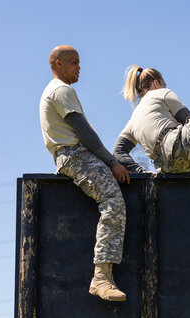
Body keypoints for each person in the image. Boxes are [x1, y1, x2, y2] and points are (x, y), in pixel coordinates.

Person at [39, 45, 130, 302]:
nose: (79, 67)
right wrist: (112, 162)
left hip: (70, 154)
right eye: (74, 62)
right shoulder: (61, 90)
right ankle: (101, 279)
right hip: (74, 154)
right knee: (113, 202)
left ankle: (103, 276)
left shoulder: (56, 91)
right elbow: (84, 132)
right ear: (58, 64)